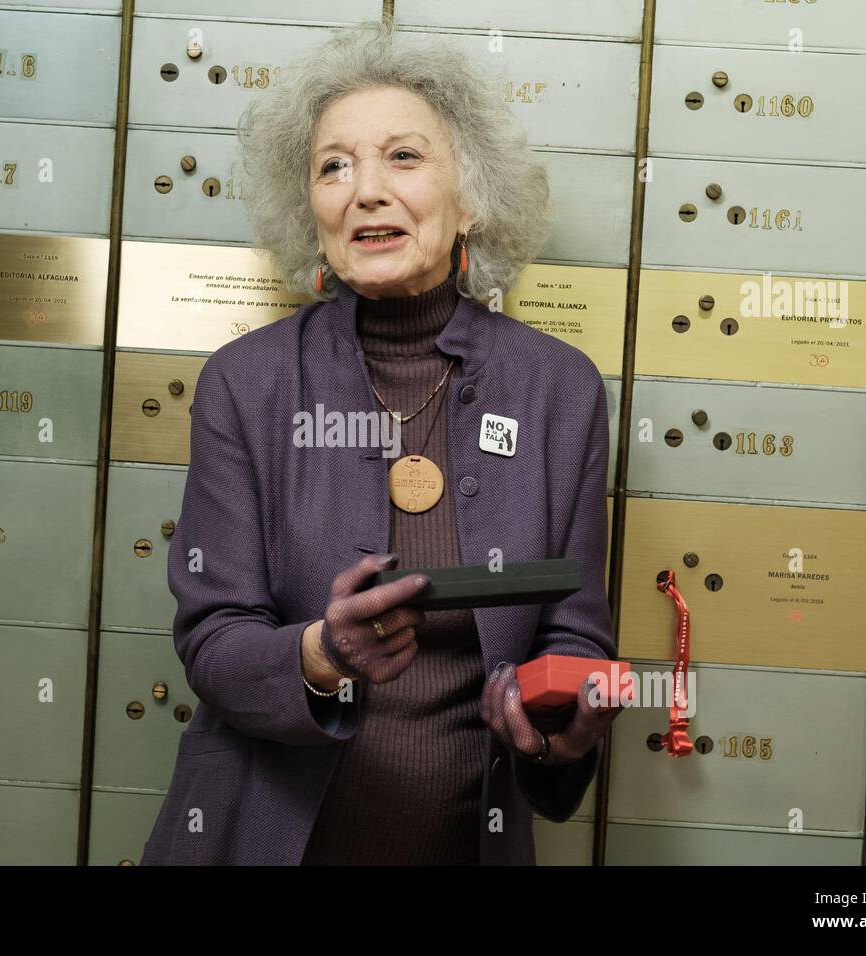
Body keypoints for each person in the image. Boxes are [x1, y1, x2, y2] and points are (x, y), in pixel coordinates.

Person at [139, 20, 620, 866]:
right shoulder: (248, 385)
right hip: (262, 839)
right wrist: (321, 655)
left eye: (404, 157)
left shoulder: (559, 389)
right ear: (312, 211)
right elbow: (214, 640)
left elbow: (574, 634)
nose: (365, 190)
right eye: (335, 165)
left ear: (470, 198)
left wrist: (558, 725)